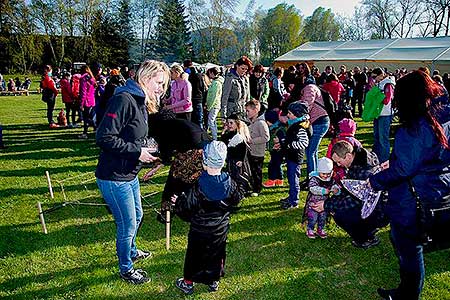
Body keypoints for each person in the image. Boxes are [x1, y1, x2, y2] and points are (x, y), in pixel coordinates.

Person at [368, 71, 450, 300]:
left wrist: (375, 181)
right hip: (440, 188)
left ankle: (408, 294)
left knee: (409, 247)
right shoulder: (443, 116)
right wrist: (394, 161)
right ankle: (407, 291)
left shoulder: (415, 126)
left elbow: (405, 168)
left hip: (414, 197)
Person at [95, 60, 170, 284]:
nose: (161, 89)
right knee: (127, 225)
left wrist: (148, 146)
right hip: (114, 176)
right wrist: (137, 152)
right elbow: (104, 137)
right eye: (159, 83)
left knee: (137, 216)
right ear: (145, 78)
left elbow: (132, 133)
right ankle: (126, 268)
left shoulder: (140, 100)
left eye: (164, 85)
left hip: (129, 173)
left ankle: (132, 251)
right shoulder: (123, 99)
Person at [173, 141, 243, 295]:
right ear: (223, 161)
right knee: (217, 254)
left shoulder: (198, 185)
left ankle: (188, 283)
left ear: (204, 161)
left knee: (194, 255)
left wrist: (178, 202)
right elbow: (237, 199)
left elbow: (186, 209)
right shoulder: (230, 182)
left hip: (199, 229)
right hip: (220, 229)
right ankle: (213, 281)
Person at [312, 141, 388, 248]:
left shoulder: (362, 171)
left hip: (378, 211)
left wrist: (326, 205)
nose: (338, 165)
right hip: (379, 206)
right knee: (338, 205)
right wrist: (336, 193)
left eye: (339, 162)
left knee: (339, 213)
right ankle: (368, 230)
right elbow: (351, 190)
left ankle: (365, 238)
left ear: (348, 156)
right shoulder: (361, 160)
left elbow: (354, 201)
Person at [280, 102, 311, 209]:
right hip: (291, 156)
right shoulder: (294, 124)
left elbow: (304, 142)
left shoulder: (300, 127)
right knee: (291, 178)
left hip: (295, 157)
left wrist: (290, 144)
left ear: (297, 114)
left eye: (289, 113)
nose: (288, 115)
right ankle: (291, 196)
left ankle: (294, 201)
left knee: (294, 180)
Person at [304, 157, 340, 239]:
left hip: (324, 203)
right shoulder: (314, 178)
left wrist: (336, 190)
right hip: (314, 203)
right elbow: (312, 188)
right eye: (323, 174)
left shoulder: (330, 179)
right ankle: (310, 228)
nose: (325, 176)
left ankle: (320, 229)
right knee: (313, 217)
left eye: (328, 174)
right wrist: (323, 191)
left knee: (323, 217)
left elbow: (335, 185)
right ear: (318, 171)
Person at [300, 81, 330, 175]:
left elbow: (307, 104)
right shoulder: (313, 87)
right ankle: (316, 175)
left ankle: (312, 178)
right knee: (313, 151)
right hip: (321, 121)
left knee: (310, 152)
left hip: (318, 121)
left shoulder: (309, 88)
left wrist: (299, 115)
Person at [220, 113, 252, 193]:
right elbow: (223, 143)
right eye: (228, 123)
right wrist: (223, 132)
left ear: (237, 124)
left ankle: (244, 189)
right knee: (232, 175)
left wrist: (241, 160)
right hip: (231, 160)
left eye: (231, 123)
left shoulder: (239, 136)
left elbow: (244, 150)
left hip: (238, 161)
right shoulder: (229, 134)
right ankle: (234, 189)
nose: (229, 125)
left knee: (239, 176)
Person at [245, 100, 270, 197]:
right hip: (251, 151)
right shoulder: (251, 122)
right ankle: (252, 186)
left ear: (256, 110)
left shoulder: (261, 123)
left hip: (258, 153)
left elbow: (266, 137)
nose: (246, 113)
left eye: (248, 111)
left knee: (257, 171)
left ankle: (257, 188)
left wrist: (252, 141)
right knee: (251, 170)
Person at [371, 67, 395, 163]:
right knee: (376, 136)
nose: (373, 78)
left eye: (374, 76)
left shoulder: (388, 84)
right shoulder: (379, 83)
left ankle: (384, 160)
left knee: (383, 138)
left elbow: (387, 100)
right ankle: (375, 157)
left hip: (385, 114)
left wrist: (377, 96)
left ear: (381, 75)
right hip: (378, 114)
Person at [262, 109, 286, 188]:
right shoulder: (274, 128)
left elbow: (283, 139)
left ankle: (272, 179)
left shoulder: (278, 129)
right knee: (277, 165)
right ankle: (279, 180)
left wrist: (279, 141)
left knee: (273, 165)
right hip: (274, 150)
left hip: (278, 150)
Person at [78, 65, 97, 139]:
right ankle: (94, 128)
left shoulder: (83, 78)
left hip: (86, 100)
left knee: (86, 118)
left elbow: (83, 92)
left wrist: (81, 104)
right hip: (92, 100)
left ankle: (86, 132)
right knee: (89, 116)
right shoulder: (92, 78)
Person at [205, 67, 223, 140]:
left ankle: (214, 138)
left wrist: (209, 107)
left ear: (212, 73)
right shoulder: (216, 82)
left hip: (214, 105)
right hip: (215, 105)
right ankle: (214, 137)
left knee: (211, 122)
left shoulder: (216, 83)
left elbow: (213, 97)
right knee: (213, 121)